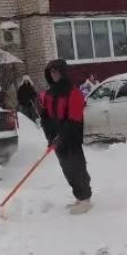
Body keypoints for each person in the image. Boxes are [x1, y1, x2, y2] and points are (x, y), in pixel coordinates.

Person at [41, 59, 93, 214]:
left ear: (63, 72)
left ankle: (85, 198)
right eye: (51, 72)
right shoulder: (49, 94)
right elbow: (45, 117)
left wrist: (61, 137)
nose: (54, 74)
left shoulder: (73, 92)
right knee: (67, 169)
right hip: (57, 140)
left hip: (71, 138)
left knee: (76, 167)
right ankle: (78, 196)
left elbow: (74, 119)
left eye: (56, 71)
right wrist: (50, 138)